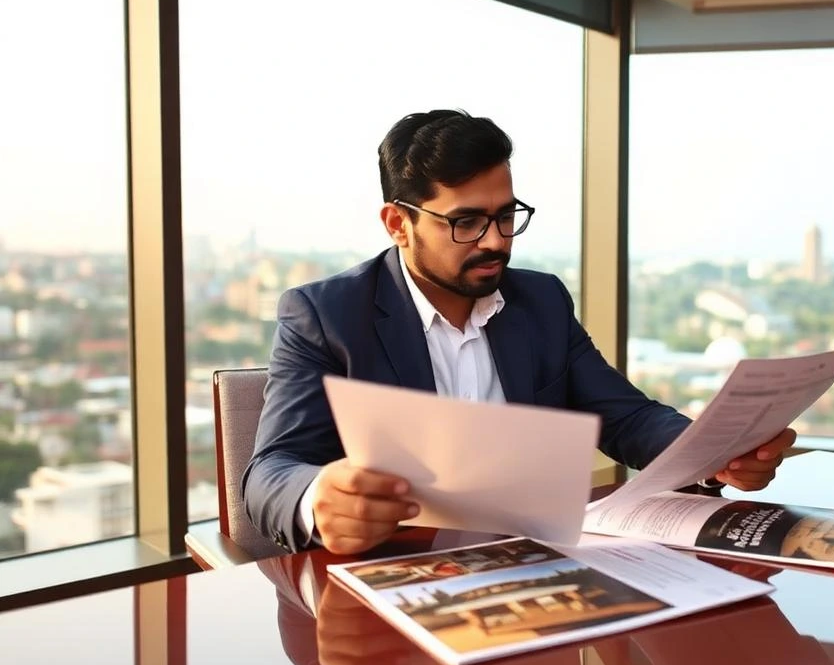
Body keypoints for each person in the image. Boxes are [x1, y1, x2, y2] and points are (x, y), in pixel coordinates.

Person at [242, 109, 796, 556]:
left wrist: (715, 453)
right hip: (396, 576)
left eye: (506, 215)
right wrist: (320, 498)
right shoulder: (326, 315)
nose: (496, 241)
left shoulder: (540, 300)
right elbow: (270, 470)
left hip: (538, 558)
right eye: (466, 222)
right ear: (397, 224)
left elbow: (624, 416)